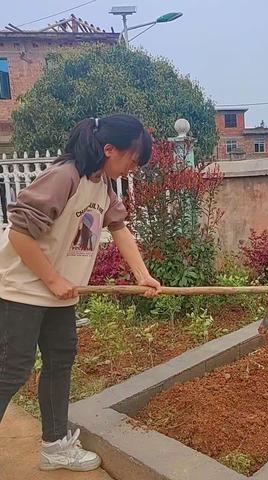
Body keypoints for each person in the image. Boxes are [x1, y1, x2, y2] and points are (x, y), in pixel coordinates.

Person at [0, 114, 161, 472]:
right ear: (109, 149)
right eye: (131, 160)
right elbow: (19, 234)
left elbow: (119, 229)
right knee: (12, 369)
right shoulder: (64, 177)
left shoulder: (101, 186)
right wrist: (53, 280)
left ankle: (55, 446)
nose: (131, 169)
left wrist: (143, 275)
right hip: (21, 289)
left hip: (60, 293)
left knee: (60, 363)